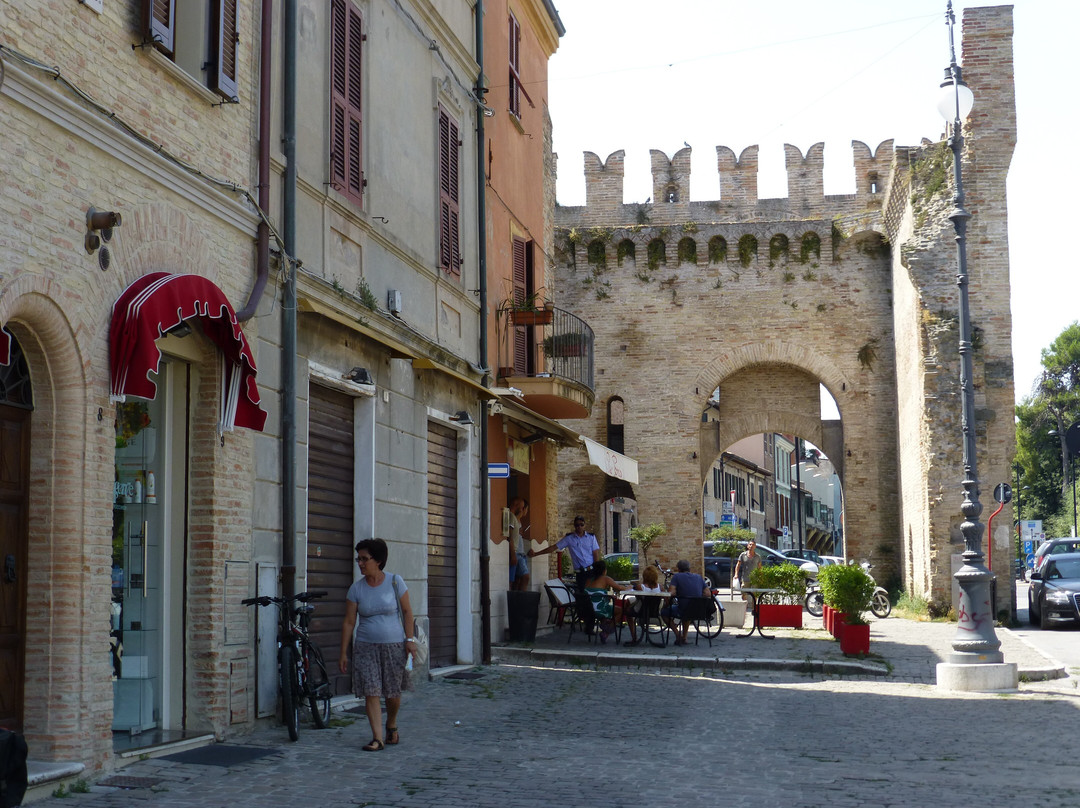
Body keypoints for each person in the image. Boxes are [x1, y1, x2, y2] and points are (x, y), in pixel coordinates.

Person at [339, 538, 418, 752]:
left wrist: (409, 640)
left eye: (365, 559)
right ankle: (377, 738)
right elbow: (348, 622)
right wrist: (344, 652)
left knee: (392, 693)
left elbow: (408, 612)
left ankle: (391, 723)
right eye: (359, 559)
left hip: (394, 646)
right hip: (365, 646)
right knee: (372, 691)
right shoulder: (356, 589)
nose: (361, 563)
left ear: (379, 560)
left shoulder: (395, 582)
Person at [528, 515, 601, 591]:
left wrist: (597, 571)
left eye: (581, 524)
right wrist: (536, 553)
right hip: (581, 573)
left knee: (593, 593)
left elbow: (595, 554)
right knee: (582, 596)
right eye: (577, 525)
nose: (579, 527)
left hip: (591, 571)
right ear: (574, 526)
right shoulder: (569, 538)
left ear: (584, 525)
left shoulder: (591, 537)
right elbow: (553, 547)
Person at [581, 559, 631, 643]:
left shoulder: (588, 580)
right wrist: (628, 588)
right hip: (600, 610)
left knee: (606, 606)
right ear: (604, 570)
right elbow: (619, 587)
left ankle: (605, 623)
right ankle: (606, 632)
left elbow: (595, 594)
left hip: (587, 610)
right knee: (621, 611)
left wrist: (606, 595)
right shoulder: (605, 579)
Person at [663, 559, 710, 645]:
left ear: (679, 569)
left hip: (683, 609)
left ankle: (678, 635)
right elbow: (708, 593)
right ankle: (684, 638)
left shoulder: (677, 577)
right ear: (689, 568)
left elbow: (671, 593)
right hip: (698, 611)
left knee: (664, 612)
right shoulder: (699, 577)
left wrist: (667, 602)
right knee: (688, 611)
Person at [622, 564, 662, 646]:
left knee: (628, 612)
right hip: (654, 612)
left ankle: (634, 636)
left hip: (640, 610)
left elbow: (636, 596)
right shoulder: (660, 587)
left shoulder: (641, 587)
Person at [508, 498, 530, 591]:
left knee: (516, 580)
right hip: (516, 553)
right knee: (523, 577)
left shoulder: (513, 517)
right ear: (516, 505)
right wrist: (513, 555)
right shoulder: (511, 517)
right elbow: (509, 536)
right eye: (521, 507)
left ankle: (516, 600)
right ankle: (520, 601)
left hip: (517, 552)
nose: (521, 509)